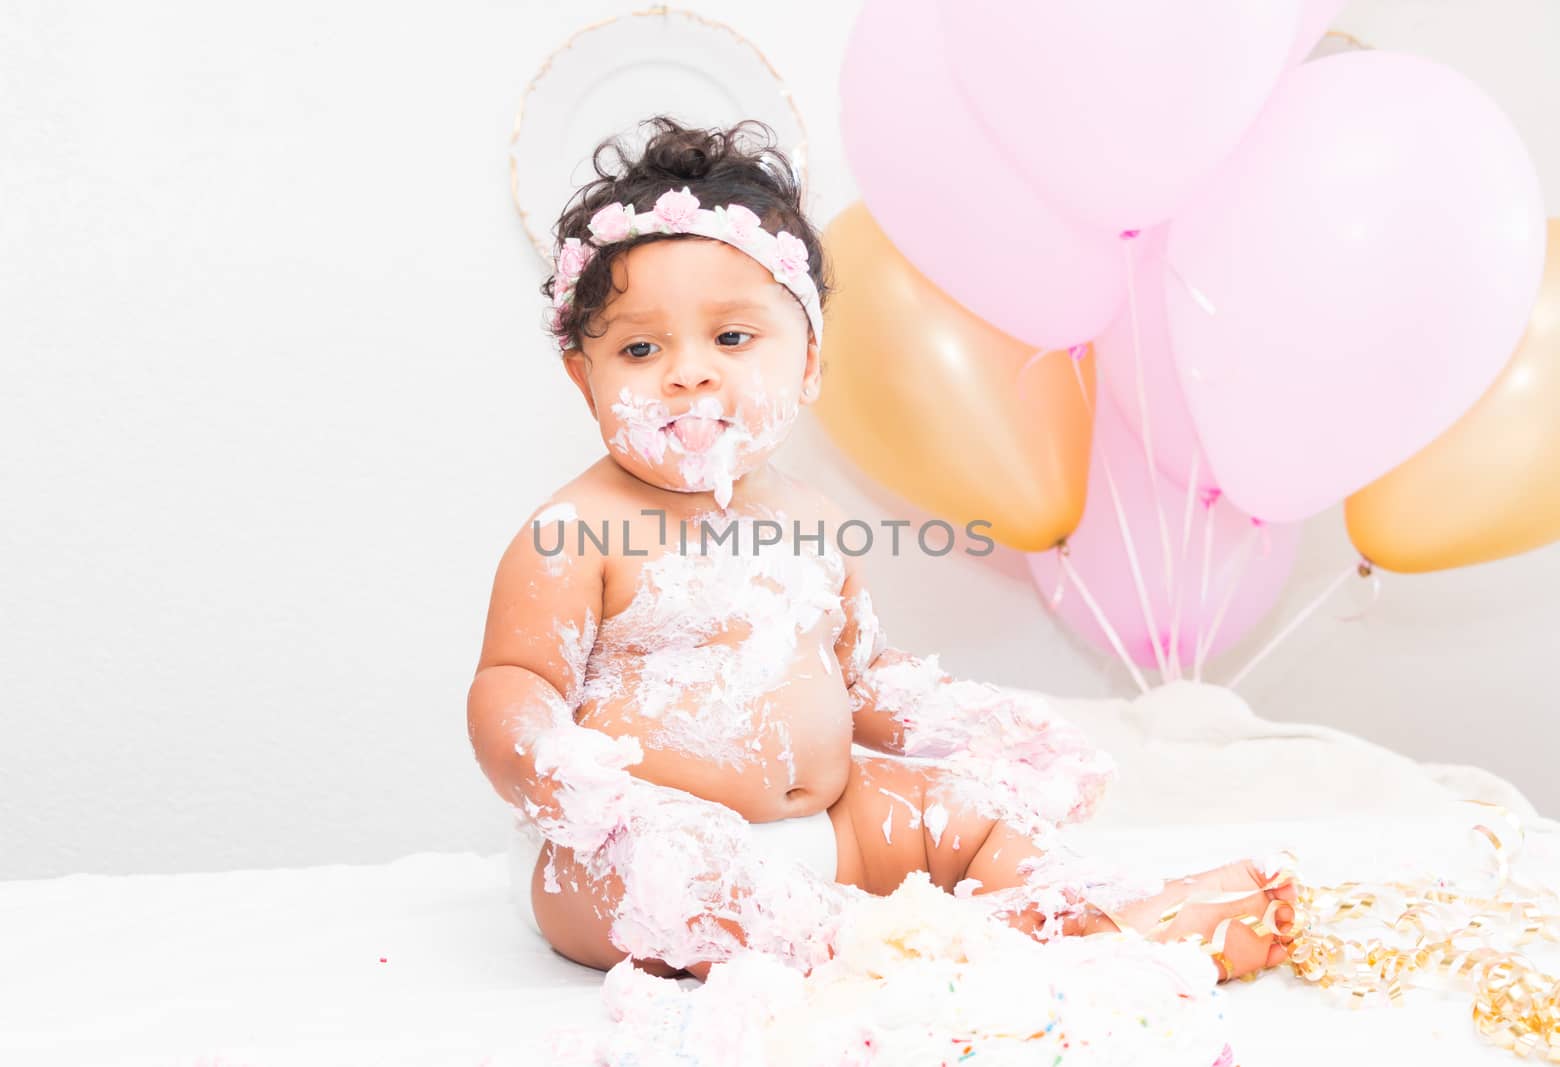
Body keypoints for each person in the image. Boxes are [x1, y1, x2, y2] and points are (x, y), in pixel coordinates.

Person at [465, 116, 1296, 984]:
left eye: (733, 338)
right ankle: (919, 945)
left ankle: (1073, 909)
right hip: (631, 853)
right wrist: (551, 764)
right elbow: (513, 682)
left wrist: (982, 727)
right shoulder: (573, 532)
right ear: (582, 374)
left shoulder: (813, 520)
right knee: (682, 872)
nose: (688, 372)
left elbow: (861, 678)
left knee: (968, 811)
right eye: (640, 347)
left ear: (810, 362)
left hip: (832, 827)